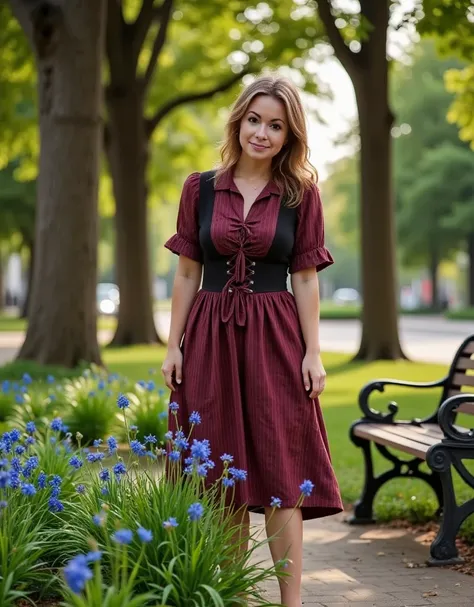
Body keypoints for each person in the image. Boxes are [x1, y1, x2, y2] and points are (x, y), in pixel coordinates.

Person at [162, 74, 342, 607]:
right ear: (239, 121)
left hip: (276, 337)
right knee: (221, 473)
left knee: (282, 470)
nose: (261, 133)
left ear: (290, 136)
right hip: (210, 336)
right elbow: (186, 274)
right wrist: (173, 345)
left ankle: (292, 604)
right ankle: (231, 597)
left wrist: (314, 352)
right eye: (255, 120)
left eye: (276, 125)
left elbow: (306, 277)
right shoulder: (199, 188)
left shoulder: (300, 194)